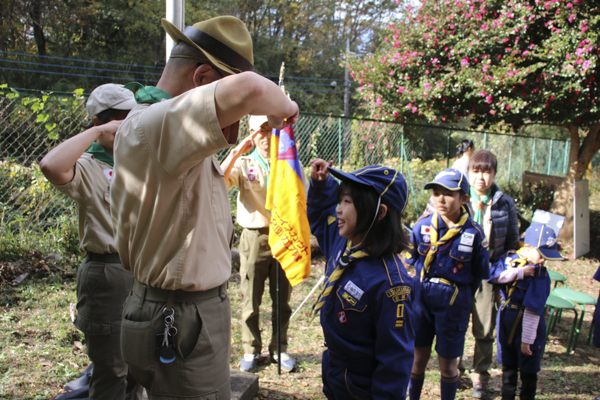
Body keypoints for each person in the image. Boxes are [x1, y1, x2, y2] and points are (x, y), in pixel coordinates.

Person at [109, 16, 300, 398]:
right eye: (234, 115)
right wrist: (286, 108)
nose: (234, 125)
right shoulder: (160, 124)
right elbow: (249, 88)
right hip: (181, 320)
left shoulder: (155, 128)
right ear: (201, 80)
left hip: (168, 312)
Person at [39, 83, 142, 400]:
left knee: (140, 366)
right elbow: (51, 166)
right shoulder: (88, 167)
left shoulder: (140, 163)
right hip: (108, 275)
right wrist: (100, 132)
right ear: (102, 123)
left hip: (143, 273)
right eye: (120, 122)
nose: (130, 129)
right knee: (112, 370)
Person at [308, 159, 415, 399]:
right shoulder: (343, 242)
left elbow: (395, 362)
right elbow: (320, 215)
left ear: (380, 212)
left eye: (347, 202)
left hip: (362, 387)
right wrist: (321, 184)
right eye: (340, 200)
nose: (338, 209)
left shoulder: (391, 284)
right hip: (335, 373)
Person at [221, 115, 307, 372]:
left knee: (282, 298)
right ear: (251, 133)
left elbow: (302, 196)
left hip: (285, 234)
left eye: (271, 130)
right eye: (260, 131)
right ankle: (251, 350)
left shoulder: (289, 162)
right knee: (250, 298)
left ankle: (279, 348)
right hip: (254, 237)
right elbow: (219, 180)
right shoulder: (244, 162)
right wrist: (237, 150)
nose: (266, 137)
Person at [405, 168, 490, 400]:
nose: (441, 199)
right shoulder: (421, 227)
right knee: (417, 358)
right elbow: (412, 261)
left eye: (449, 193)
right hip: (422, 300)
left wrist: (460, 297)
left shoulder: (473, 234)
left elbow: (478, 275)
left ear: (463, 199)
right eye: (436, 193)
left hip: (453, 304)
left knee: (448, 364)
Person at [462, 150, 520, 399]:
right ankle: (452, 370)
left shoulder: (504, 202)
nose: (481, 177)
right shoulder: (458, 196)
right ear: (469, 172)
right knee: (454, 324)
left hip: (487, 274)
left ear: (495, 173)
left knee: (484, 329)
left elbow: (511, 243)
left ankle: (480, 378)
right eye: (476, 171)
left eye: (487, 171)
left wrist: (501, 275)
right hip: (459, 272)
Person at [488, 224, 558, 400]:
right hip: (506, 320)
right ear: (527, 247)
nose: (542, 260)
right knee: (508, 367)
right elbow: (494, 277)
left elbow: (534, 309)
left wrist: (527, 341)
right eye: (541, 255)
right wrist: (520, 272)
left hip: (528, 326)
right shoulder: (509, 259)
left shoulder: (540, 273)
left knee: (528, 370)